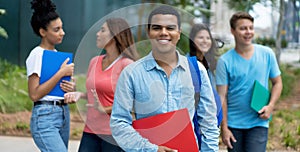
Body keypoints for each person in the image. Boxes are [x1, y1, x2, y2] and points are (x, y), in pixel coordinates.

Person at [110, 5, 219, 151]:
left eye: (170, 28)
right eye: (157, 28)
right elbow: (119, 122)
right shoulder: (132, 73)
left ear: (179, 33)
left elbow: (209, 122)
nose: (163, 33)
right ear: (149, 32)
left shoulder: (196, 70)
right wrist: (152, 149)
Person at [64, 18, 139, 152]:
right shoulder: (94, 61)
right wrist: (79, 94)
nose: (97, 34)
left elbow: (134, 103)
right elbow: (98, 94)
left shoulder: (127, 65)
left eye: (103, 30)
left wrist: (106, 109)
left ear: (115, 35)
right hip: (91, 130)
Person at [215, 11, 282, 151]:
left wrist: (270, 106)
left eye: (251, 28)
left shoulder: (267, 54)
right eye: (243, 28)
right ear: (232, 31)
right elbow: (222, 96)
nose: (248, 32)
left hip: (258, 122)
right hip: (233, 125)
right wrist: (224, 128)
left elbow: (277, 83)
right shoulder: (225, 61)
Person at [26, 0, 75, 151]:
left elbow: (57, 87)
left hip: (63, 113)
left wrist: (70, 88)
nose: (62, 32)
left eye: (62, 28)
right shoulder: (37, 54)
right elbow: (34, 94)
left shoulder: (56, 56)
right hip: (45, 116)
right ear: (43, 32)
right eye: (57, 29)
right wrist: (61, 73)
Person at [189, 23, 219, 89]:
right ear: (192, 40)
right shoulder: (187, 63)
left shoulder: (210, 62)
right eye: (201, 37)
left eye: (208, 38)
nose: (205, 41)